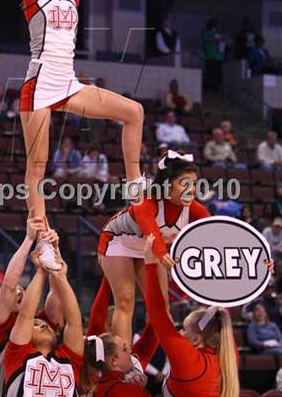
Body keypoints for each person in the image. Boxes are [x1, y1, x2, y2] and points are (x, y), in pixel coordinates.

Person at [6, 0, 145, 269]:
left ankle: (135, 184)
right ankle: (43, 239)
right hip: (37, 86)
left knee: (134, 112)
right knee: (36, 167)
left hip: (68, 84)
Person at [98, 152, 210, 347]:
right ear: (167, 185)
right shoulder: (146, 202)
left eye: (194, 184)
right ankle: (123, 360)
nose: (191, 190)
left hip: (147, 250)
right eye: (185, 183)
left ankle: (155, 356)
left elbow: (217, 234)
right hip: (118, 241)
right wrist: (163, 254)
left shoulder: (195, 209)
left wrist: (259, 259)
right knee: (125, 301)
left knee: (161, 306)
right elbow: (152, 234)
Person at [143, 233, 239, 397]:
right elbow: (222, 312)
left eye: (184, 329)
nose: (179, 333)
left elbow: (158, 313)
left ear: (196, 339)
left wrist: (150, 265)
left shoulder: (189, 360)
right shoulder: (229, 357)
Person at [0, 215, 62, 397]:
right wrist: (29, 239)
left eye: (23, 289)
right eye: (15, 293)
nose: (19, 291)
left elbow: (57, 292)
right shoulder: (1, 327)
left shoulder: (41, 323)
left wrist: (53, 250)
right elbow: (8, 285)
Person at [3, 245, 84, 397]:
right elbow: (25, 314)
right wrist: (41, 271)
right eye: (35, 325)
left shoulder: (68, 360)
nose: (43, 324)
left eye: (42, 323)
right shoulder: (17, 356)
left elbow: (74, 322)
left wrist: (60, 277)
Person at [82, 333, 150, 396]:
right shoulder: (125, 391)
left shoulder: (94, 389)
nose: (130, 351)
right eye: (125, 349)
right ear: (113, 360)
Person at [202, 18, 226, 91]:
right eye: (218, 24)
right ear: (214, 25)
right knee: (210, 74)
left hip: (219, 57)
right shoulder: (207, 32)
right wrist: (215, 39)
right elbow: (205, 41)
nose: (219, 26)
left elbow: (228, 42)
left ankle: (216, 90)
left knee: (217, 75)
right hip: (210, 57)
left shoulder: (220, 33)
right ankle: (208, 89)